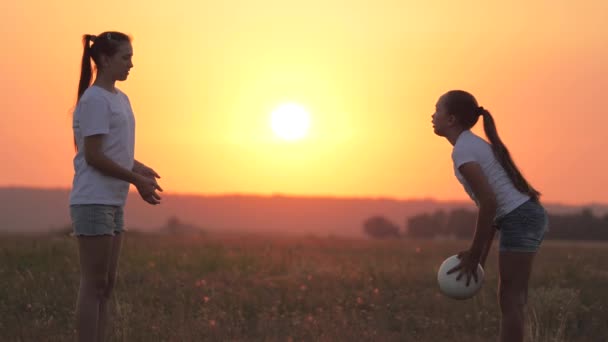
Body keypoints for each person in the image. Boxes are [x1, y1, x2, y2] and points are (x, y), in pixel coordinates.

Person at [432, 90, 548, 342]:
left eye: (437, 110)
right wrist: (480, 260)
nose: (432, 115)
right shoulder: (470, 145)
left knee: (511, 299)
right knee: (513, 299)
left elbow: (490, 202)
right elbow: (494, 210)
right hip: (523, 217)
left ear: (451, 119)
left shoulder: (463, 150)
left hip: (521, 219)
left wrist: (474, 253)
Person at [70, 31, 163, 342]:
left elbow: (112, 150)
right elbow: (93, 156)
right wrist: (136, 180)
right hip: (93, 200)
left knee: (107, 284)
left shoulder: (120, 98)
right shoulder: (94, 99)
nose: (131, 65)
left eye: (131, 58)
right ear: (105, 60)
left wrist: (137, 166)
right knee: (93, 282)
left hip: (113, 201)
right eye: (126, 58)